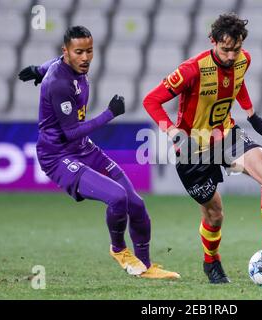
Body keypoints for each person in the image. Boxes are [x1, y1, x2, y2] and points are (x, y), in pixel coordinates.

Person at [143, 13, 262, 284]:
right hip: (193, 149)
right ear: (212, 41)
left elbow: (237, 81)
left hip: (226, 136)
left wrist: (252, 114)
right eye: (226, 49)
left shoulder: (244, 59)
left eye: (236, 49)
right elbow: (151, 100)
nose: (232, 56)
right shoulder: (192, 69)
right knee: (215, 215)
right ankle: (211, 263)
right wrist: (173, 132)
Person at [18, 25, 180, 279]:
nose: (85, 58)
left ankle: (146, 267)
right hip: (58, 156)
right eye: (79, 52)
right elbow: (71, 132)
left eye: (89, 51)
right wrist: (110, 114)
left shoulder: (67, 65)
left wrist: (37, 69)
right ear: (67, 51)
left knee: (136, 204)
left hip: (83, 149)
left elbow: (53, 63)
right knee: (117, 198)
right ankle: (119, 250)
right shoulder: (59, 84)